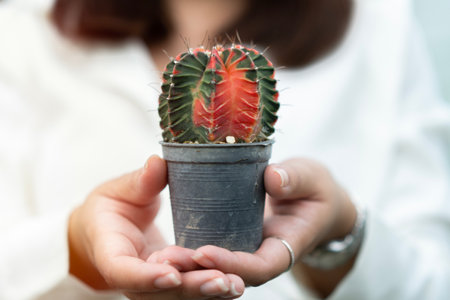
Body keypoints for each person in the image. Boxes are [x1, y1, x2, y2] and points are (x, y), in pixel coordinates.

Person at [1, 0, 449, 299]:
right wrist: (75, 244)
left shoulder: (381, 24)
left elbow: (433, 281)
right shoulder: (24, 26)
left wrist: (341, 238)